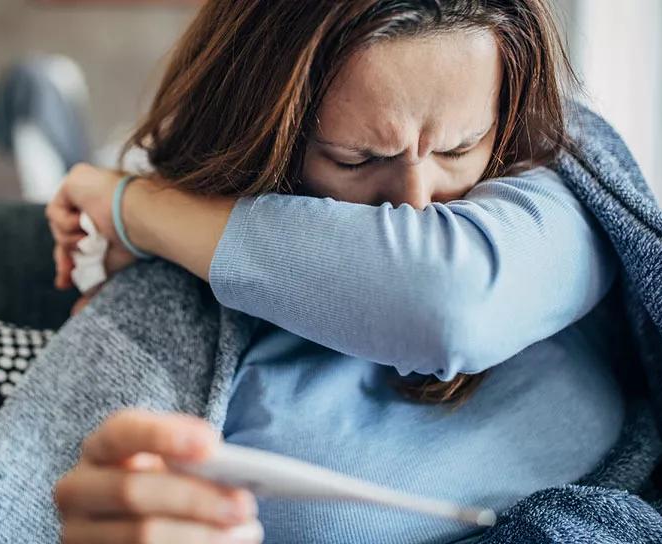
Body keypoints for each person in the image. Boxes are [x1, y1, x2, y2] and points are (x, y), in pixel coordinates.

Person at [47, 1, 625, 542]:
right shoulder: (182, 304)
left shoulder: (556, 200)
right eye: (357, 159)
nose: (418, 204)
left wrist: (135, 206)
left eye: (458, 149)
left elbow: (446, 301)